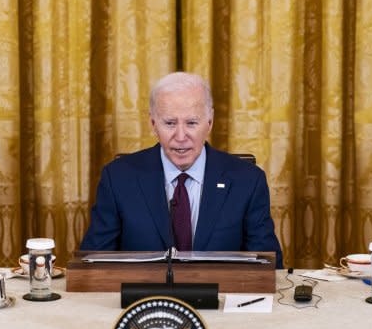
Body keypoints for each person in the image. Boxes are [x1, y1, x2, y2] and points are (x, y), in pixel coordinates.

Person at [80, 72, 283, 268]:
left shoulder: (247, 181)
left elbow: (269, 266)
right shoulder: (118, 179)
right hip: (145, 300)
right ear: (153, 124)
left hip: (221, 301)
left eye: (191, 123)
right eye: (169, 123)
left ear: (209, 123)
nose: (180, 136)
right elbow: (93, 263)